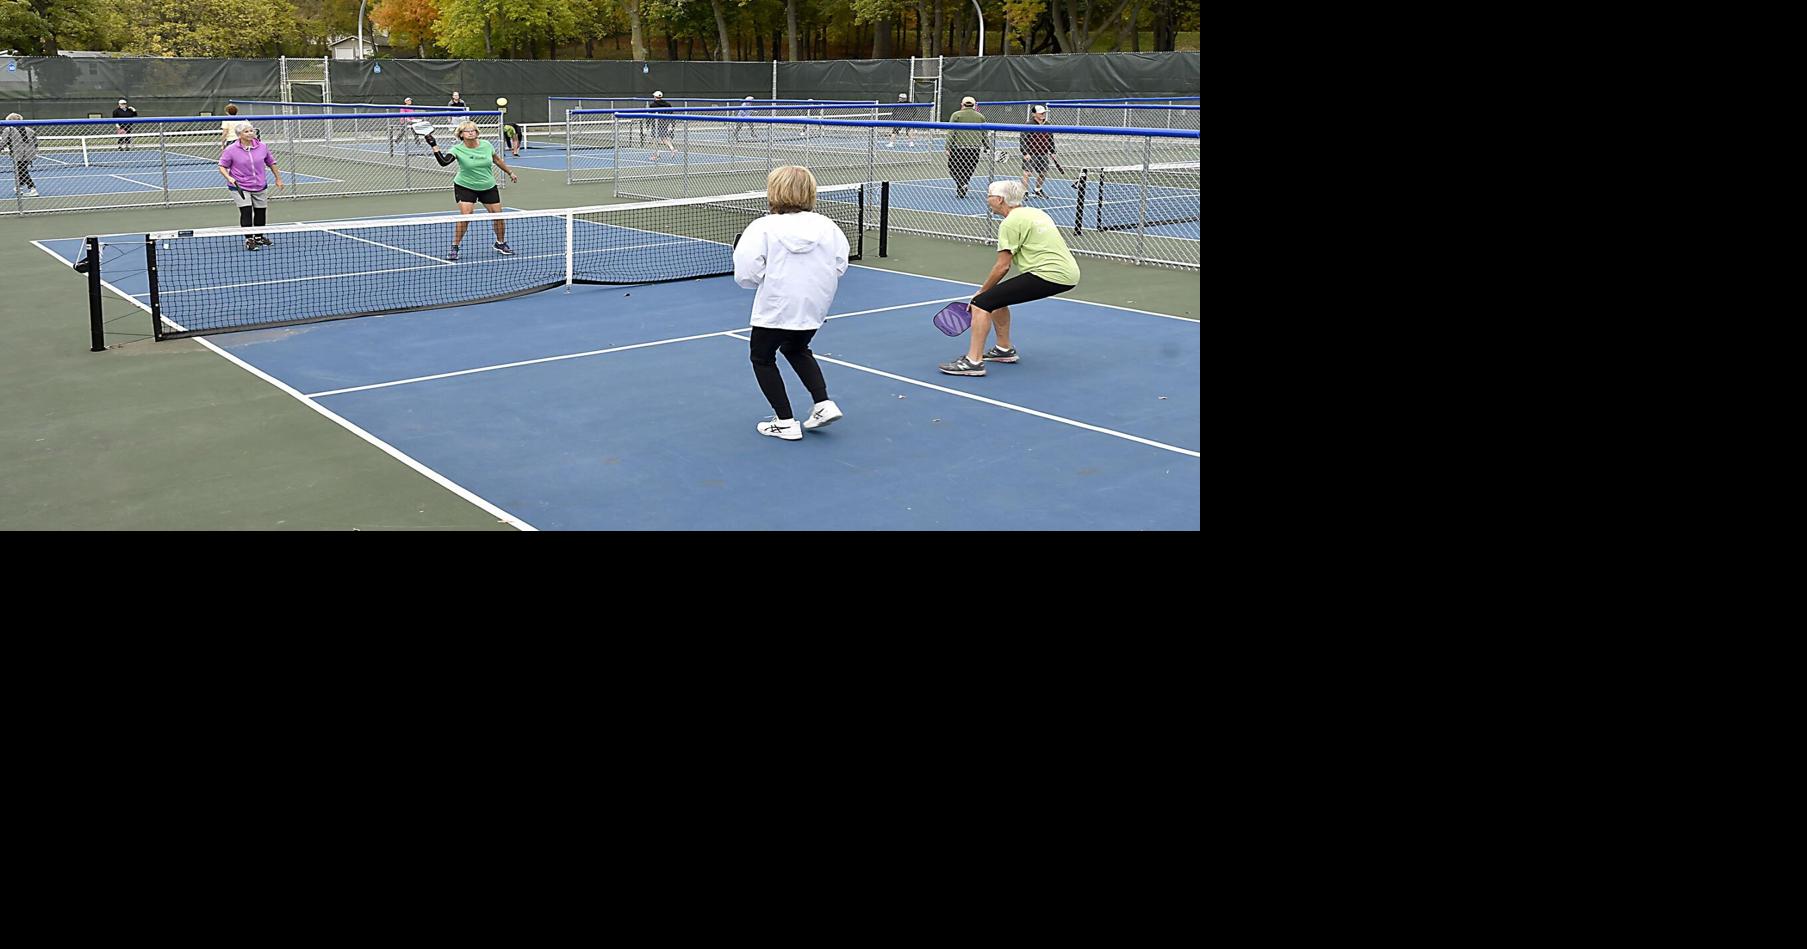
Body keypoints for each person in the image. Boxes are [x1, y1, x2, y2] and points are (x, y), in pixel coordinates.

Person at [733, 165, 848, 441]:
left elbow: (746, 274)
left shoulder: (762, 227)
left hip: (775, 308)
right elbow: (839, 264)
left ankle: (784, 421)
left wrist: (764, 277)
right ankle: (822, 402)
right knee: (797, 348)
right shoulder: (827, 226)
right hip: (814, 307)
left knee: (761, 357)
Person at [939, 180, 1080, 377]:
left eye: (989, 195)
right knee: (997, 299)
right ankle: (1004, 349)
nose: (987, 199)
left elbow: (1003, 266)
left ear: (999, 199)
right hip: (1067, 273)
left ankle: (973, 362)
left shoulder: (1010, 222)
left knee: (982, 303)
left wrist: (981, 292)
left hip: (1049, 275)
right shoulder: (1035, 213)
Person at [426, 119, 519, 261]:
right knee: (466, 216)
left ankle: (500, 243)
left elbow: (497, 160)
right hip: (465, 186)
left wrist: (510, 172)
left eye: (473, 130)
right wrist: (433, 145)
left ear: (477, 132)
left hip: (487, 186)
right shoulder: (457, 149)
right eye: (467, 131)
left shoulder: (487, 145)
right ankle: (455, 247)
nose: (470, 132)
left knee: (498, 216)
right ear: (461, 134)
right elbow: (444, 162)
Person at [217, 121, 285, 251]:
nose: (250, 133)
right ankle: (249, 239)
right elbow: (222, 166)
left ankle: (259, 237)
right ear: (239, 135)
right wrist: (229, 177)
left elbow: (272, 163)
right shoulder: (231, 150)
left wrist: (278, 179)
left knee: (260, 212)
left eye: (251, 131)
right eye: (246, 131)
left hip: (259, 185)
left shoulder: (262, 147)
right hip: (239, 186)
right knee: (246, 211)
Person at [946, 95, 985, 198]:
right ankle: (963, 185)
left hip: (958, 148)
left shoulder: (956, 115)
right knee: (969, 169)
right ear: (974, 105)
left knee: (953, 168)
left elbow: (951, 131)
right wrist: (987, 146)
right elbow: (984, 133)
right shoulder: (980, 116)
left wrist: (947, 147)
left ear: (962, 105)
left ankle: (961, 184)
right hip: (974, 148)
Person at [1020, 104, 1056, 199]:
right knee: (1027, 173)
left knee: (1043, 172)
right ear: (1034, 114)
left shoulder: (1047, 125)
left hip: (1043, 153)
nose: (1043, 115)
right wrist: (1025, 153)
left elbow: (1050, 139)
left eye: (1044, 113)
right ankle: (1024, 192)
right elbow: (1023, 139)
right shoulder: (1028, 125)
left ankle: (1038, 190)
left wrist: (1052, 152)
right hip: (1031, 153)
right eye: (1041, 113)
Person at [2, 114, 40, 198]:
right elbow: (35, 142)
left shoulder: (9, 129)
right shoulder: (29, 129)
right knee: (21, 170)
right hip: (29, 153)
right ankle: (19, 187)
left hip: (18, 154)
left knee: (22, 171)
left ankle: (32, 188)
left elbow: (3, 142)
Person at [646, 90, 676, 161]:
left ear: (654, 97)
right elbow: (671, 114)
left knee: (654, 139)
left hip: (656, 124)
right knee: (664, 138)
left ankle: (657, 154)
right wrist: (672, 123)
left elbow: (650, 115)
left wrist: (648, 124)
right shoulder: (667, 104)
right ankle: (672, 149)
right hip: (664, 123)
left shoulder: (652, 105)